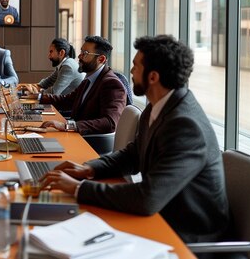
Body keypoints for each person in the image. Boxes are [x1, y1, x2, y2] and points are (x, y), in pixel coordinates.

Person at [40, 35, 230, 246]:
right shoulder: (159, 106)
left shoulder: (185, 126)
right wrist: (89, 169)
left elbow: (148, 198)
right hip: (159, 216)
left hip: (184, 236)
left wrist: (78, 188)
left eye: (135, 66)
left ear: (153, 77)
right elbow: (133, 154)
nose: (130, 72)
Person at [39, 36, 126, 135]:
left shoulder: (112, 84)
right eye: (81, 52)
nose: (79, 56)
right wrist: (39, 97)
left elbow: (110, 123)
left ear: (101, 59)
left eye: (85, 53)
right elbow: (68, 100)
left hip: (90, 141)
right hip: (76, 134)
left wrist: (68, 125)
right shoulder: (88, 79)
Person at [19, 38, 84, 96]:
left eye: (51, 52)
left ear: (61, 52)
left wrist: (36, 90)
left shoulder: (68, 67)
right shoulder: (64, 64)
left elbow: (54, 92)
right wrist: (33, 86)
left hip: (69, 108)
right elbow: (49, 81)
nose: (49, 56)